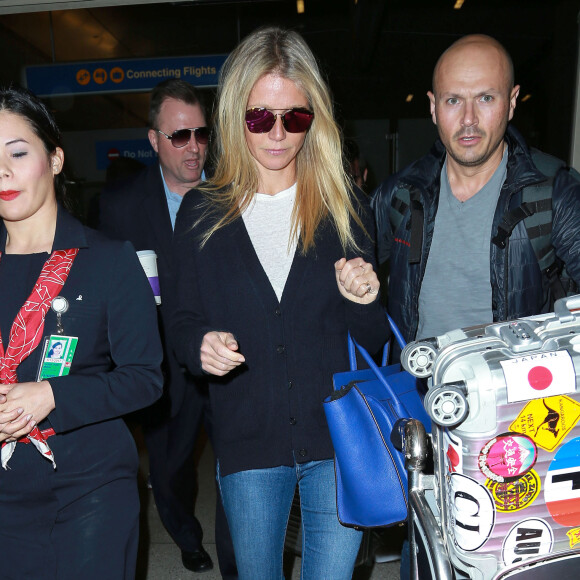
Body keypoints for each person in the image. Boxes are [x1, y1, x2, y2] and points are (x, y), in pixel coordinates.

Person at [171, 26, 389, 580]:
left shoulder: (345, 208)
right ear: (233, 115)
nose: (277, 133)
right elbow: (180, 318)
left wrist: (365, 300)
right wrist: (200, 346)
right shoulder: (202, 212)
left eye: (294, 117)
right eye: (258, 116)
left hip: (338, 441)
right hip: (247, 438)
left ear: (313, 117)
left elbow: (371, 342)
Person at [0, 85, 163, 579]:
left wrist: (52, 394)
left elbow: (146, 378)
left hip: (90, 488)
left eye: (18, 153)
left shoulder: (110, 260)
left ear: (54, 159)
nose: (2, 172)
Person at [98, 78, 235, 577]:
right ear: (154, 139)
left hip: (228, 355)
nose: (194, 147)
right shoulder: (120, 205)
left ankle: (237, 550)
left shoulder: (233, 193)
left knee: (239, 467)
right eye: (179, 136)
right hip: (159, 359)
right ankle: (185, 534)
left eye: (201, 134)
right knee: (171, 466)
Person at [371, 34, 580, 345]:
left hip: (514, 390)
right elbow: (341, 271)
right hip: (417, 387)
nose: (468, 119)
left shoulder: (555, 192)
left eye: (485, 98)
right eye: (453, 100)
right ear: (433, 106)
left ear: (511, 102)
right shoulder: (401, 193)